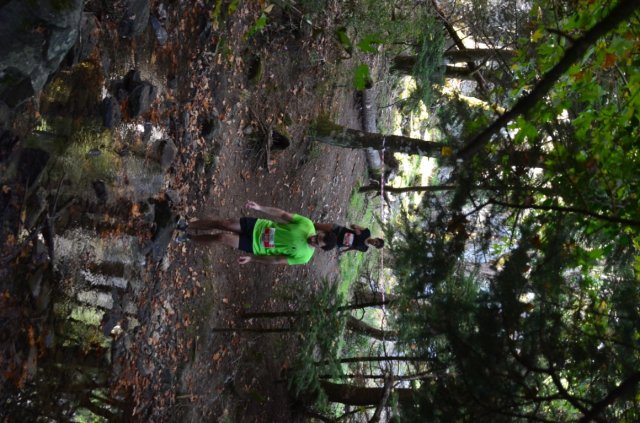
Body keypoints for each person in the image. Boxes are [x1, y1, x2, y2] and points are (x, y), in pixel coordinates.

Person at [177, 201, 337, 265]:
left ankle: (189, 237)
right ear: (320, 231)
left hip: (256, 245)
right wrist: (260, 208)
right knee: (223, 224)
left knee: (221, 237)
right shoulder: (307, 225)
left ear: (320, 248)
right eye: (317, 236)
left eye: (317, 242)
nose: (313, 239)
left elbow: (276, 260)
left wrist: (252, 258)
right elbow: (283, 214)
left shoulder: (304, 257)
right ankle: (187, 225)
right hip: (258, 226)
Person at [313, 223, 384, 254]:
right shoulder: (367, 232)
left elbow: (353, 248)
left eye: (375, 245)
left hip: (336, 242)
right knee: (316, 226)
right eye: (376, 242)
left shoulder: (364, 249)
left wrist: (344, 251)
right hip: (339, 230)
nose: (374, 243)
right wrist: (356, 228)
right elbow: (353, 225)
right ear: (376, 238)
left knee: (316, 240)